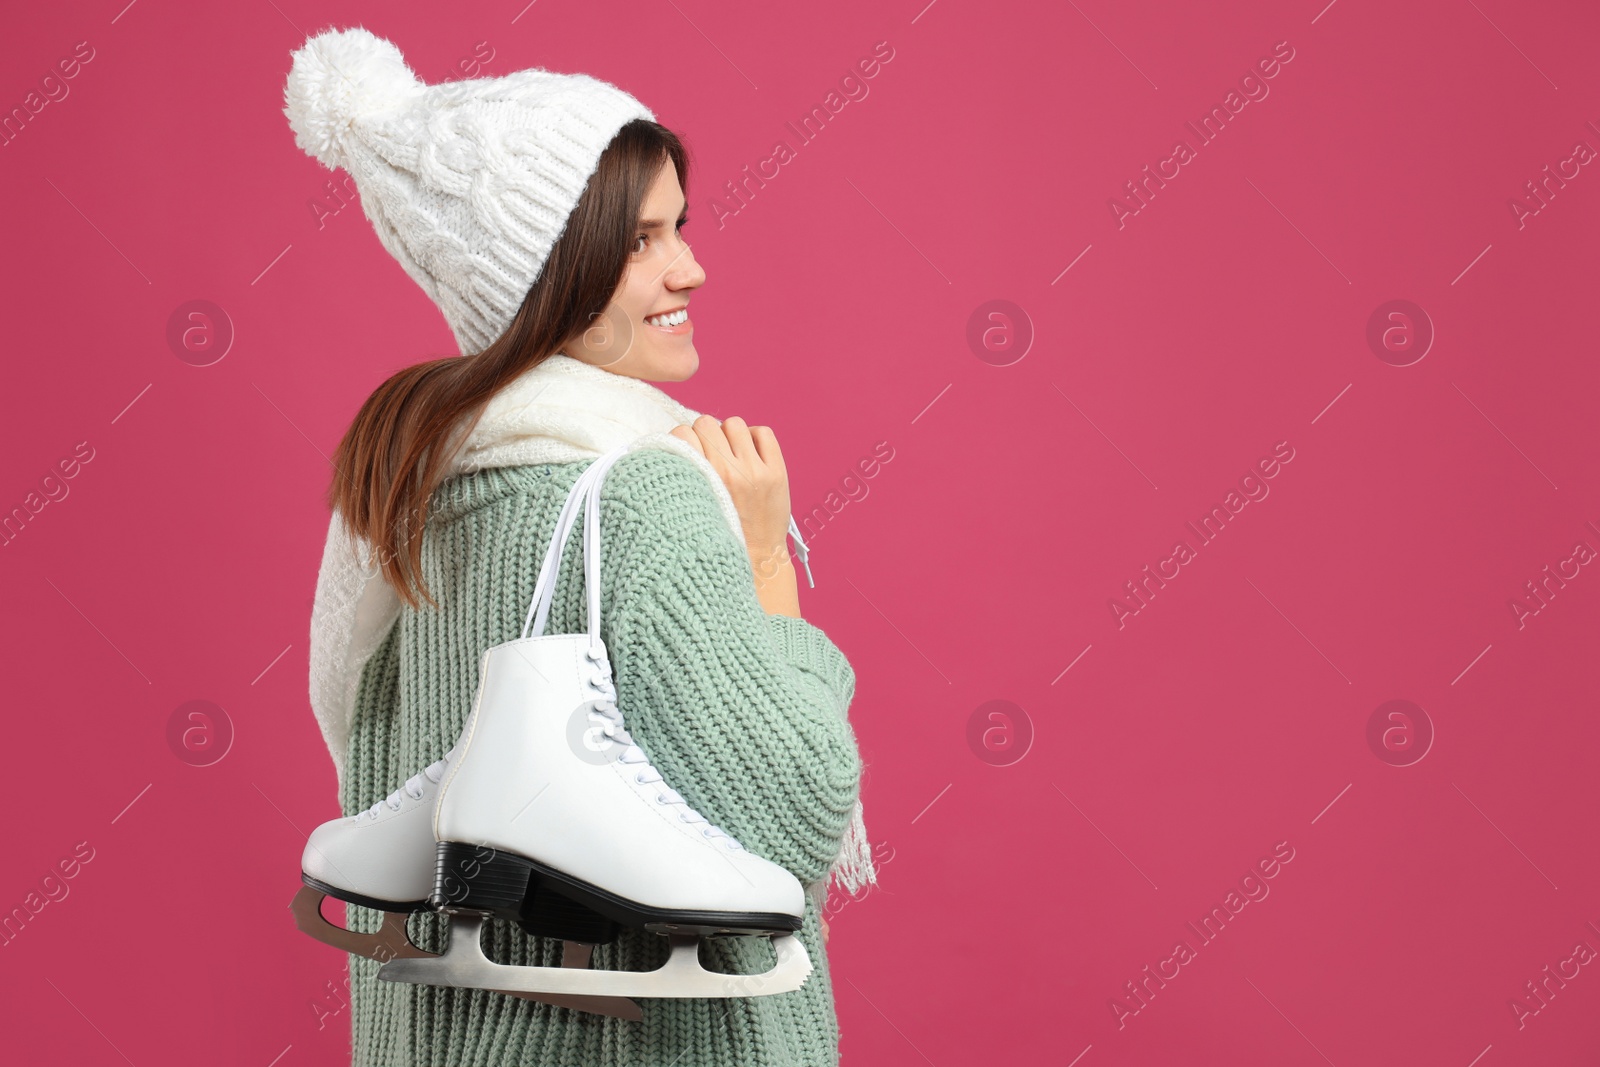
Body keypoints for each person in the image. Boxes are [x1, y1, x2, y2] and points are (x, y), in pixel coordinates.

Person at [284, 26, 874, 1067]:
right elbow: (792, 814)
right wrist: (766, 564)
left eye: (679, 227)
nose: (689, 267)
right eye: (640, 241)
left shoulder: (402, 488)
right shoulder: (646, 499)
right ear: (546, 274)